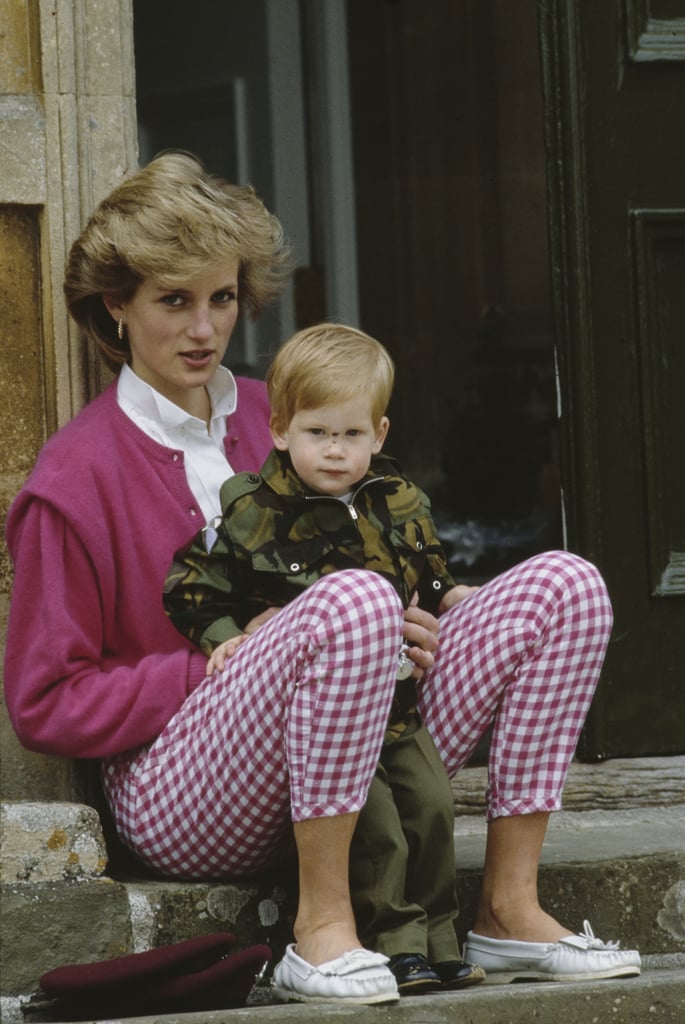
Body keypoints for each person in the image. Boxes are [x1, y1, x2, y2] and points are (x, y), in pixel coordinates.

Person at [3, 152, 640, 1008]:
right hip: (183, 794)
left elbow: (379, 551)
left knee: (565, 585)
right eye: (173, 300)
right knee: (350, 601)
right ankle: (323, 930)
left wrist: (408, 622)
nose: (203, 328)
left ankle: (506, 906)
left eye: (222, 298)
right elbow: (45, 700)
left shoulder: (288, 414)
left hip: (355, 762)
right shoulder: (75, 476)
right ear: (116, 305)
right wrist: (217, 662)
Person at [163, 323, 486, 996]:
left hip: (399, 704)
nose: (335, 452)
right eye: (317, 434)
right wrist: (223, 634)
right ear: (279, 428)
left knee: (430, 808)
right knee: (379, 831)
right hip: (328, 723)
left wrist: (453, 594)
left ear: (380, 433)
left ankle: (439, 938)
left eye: (351, 435)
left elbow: (424, 570)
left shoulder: (397, 501)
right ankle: (394, 943)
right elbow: (189, 584)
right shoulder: (254, 509)